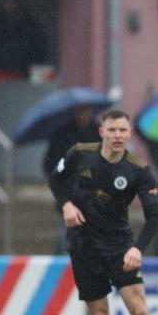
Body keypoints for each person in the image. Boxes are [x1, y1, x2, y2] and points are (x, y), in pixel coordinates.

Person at [47, 110, 158, 315]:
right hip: (84, 247)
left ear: (129, 134)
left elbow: (154, 215)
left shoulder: (138, 170)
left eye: (123, 130)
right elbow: (56, 179)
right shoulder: (80, 154)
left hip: (119, 247)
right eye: (112, 129)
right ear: (101, 132)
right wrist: (65, 205)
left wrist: (138, 248)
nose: (117, 135)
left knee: (140, 313)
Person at [42, 105, 103, 253]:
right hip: (68, 193)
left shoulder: (99, 133)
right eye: (80, 110)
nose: (84, 114)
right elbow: (49, 164)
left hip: (93, 195)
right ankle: (65, 264)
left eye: (87, 110)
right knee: (68, 235)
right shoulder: (62, 133)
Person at [0, 0, 49, 80]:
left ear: (19, 2)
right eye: (7, 0)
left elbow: (39, 50)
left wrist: (28, 67)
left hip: (25, 76)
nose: (10, 4)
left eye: (13, 0)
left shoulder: (31, 26)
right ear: (3, 2)